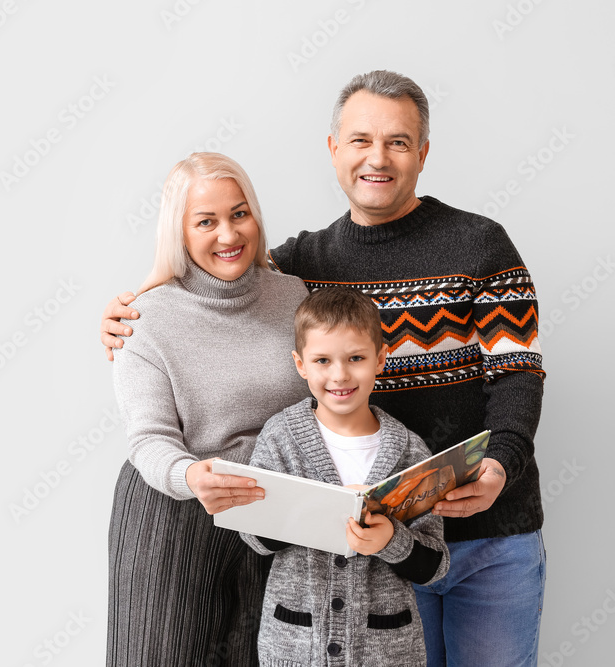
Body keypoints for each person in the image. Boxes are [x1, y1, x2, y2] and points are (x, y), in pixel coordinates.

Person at [100, 70, 547, 666]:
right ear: (334, 150)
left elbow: (518, 373)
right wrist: (131, 306)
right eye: (360, 140)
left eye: (398, 141)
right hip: (360, 551)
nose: (377, 159)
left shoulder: (481, 245)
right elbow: (219, 276)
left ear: (423, 152)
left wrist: (499, 467)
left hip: (488, 529)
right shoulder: (307, 264)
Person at [108, 152, 310, 666]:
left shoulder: (293, 297)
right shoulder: (144, 318)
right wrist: (190, 475)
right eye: (206, 221)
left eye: (239, 214)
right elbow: (148, 438)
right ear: (179, 232)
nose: (228, 234)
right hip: (173, 506)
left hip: (270, 513)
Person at [239, 286, 448, 666]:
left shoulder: (410, 451)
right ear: (300, 364)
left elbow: (434, 565)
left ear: (381, 359)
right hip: (296, 647)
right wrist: (317, 508)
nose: (340, 375)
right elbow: (254, 536)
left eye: (356, 358)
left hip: (386, 653)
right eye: (322, 360)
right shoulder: (280, 437)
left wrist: (390, 540)